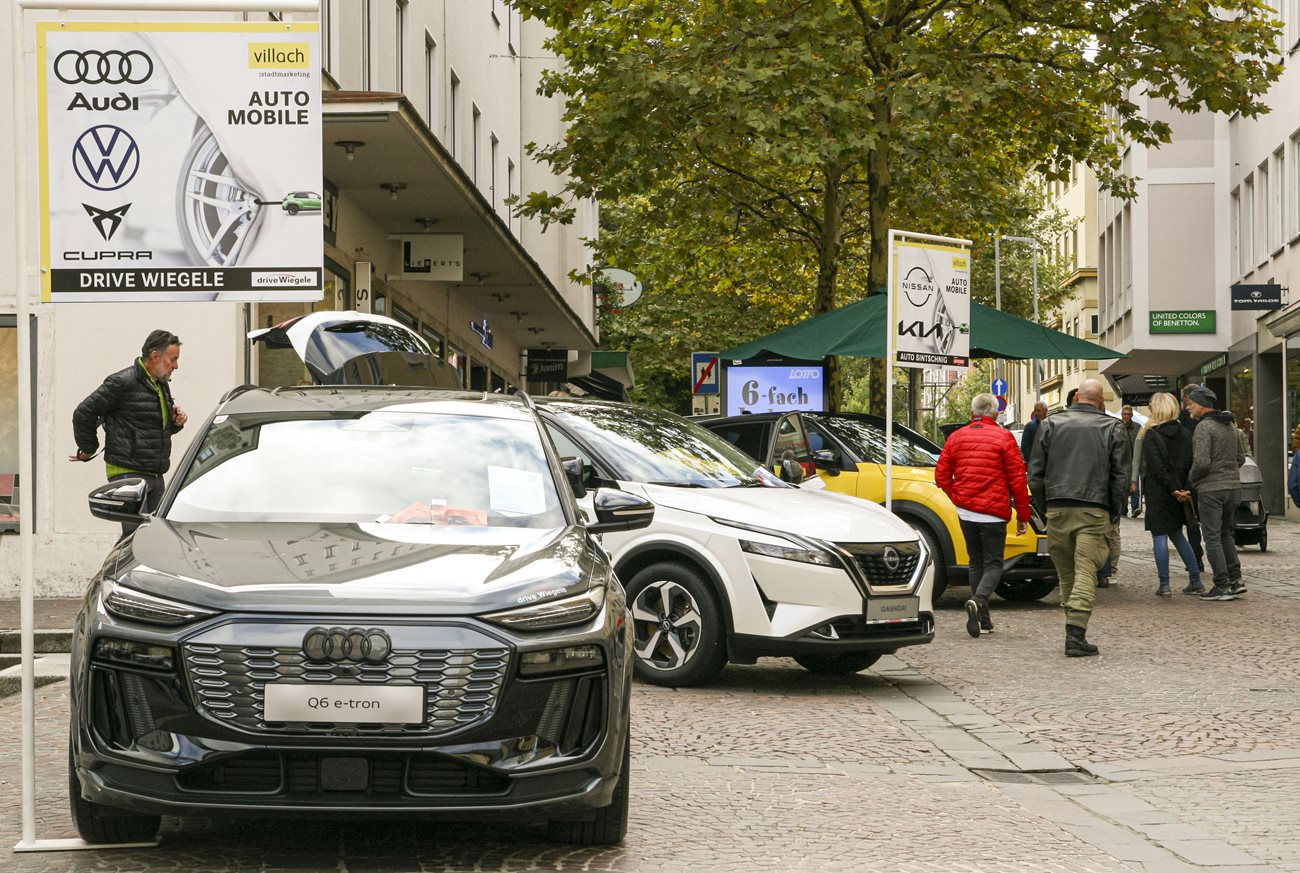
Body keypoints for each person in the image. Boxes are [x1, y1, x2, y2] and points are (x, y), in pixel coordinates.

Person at [1028, 379, 1127, 657]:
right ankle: (1075, 633)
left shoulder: (1050, 424)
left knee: (1066, 573)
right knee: (1086, 569)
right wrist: (1114, 512)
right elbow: (1120, 476)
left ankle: (1073, 630)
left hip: (1057, 507)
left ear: (1076, 398)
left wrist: (1046, 506)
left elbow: (1035, 474)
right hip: (1094, 508)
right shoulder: (1113, 427)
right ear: (1101, 401)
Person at [71, 330, 187, 539]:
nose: (176, 366)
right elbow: (83, 413)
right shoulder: (122, 382)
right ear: (155, 356)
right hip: (127, 470)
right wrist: (89, 449)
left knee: (157, 537)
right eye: (173, 359)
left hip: (155, 471)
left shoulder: (160, 384)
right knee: (136, 538)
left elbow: (152, 426)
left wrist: (175, 422)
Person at [935, 394, 1032, 639]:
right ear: (995, 413)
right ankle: (978, 600)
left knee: (975, 562)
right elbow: (1017, 480)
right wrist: (1023, 514)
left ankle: (983, 619)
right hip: (993, 513)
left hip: (966, 511)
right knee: (994, 563)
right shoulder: (1004, 437)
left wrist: (956, 496)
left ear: (973, 411)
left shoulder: (956, 437)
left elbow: (941, 474)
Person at [1185, 385, 1245, 601]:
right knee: (1225, 534)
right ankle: (1236, 580)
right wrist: (1228, 471)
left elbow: (1201, 462)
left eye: (1191, 403)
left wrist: (1193, 479)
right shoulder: (1229, 426)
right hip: (1233, 488)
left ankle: (1221, 585)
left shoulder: (1204, 427)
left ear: (1201, 405)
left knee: (1212, 537)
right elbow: (1241, 458)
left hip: (1211, 489)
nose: (1188, 407)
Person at [1139, 393, 1203, 596]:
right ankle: (1195, 579)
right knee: (1177, 534)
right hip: (1182, 492)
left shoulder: (1151, 434)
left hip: (1159, 492)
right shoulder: (1185, 433)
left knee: (1159, 536)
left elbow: (1156, 467)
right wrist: (1183, 489)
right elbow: (1191, 464)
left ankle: (1165, 584)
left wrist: (1171, 489)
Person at [1178, 384, 1206, 571]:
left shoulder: (1183, 418)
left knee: (1192, 520)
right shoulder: (1212, 417)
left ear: (1188, 398)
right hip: (1209, 478)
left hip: (1190, 475)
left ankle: (1196, 558)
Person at [1119, 406, 1142, 516]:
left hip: (1134, 460)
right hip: (1122, 461)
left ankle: (1135, 508)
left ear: (1131, 415)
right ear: (1122, 414)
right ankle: (1123, 509)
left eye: (1128, 414)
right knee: (1123, 486)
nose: (1126, 416)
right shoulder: (1118, 427)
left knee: (1135, 484)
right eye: (1124, 414)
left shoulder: (1137, 427)